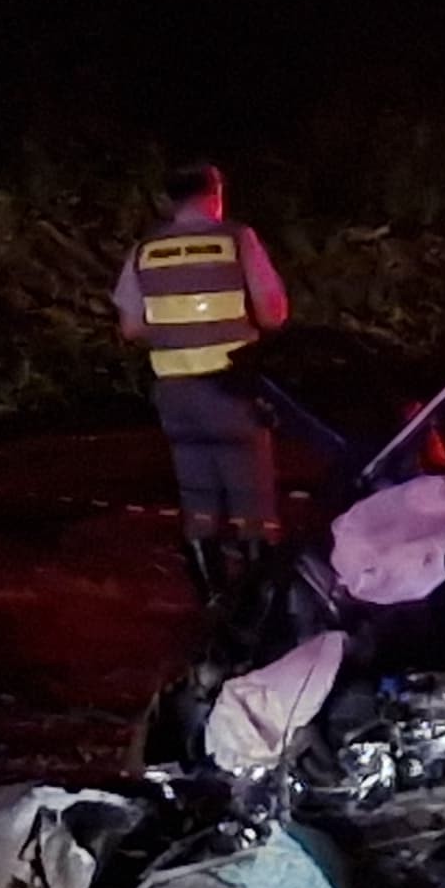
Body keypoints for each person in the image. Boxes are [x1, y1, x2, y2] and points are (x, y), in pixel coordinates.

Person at [114, 163, 292, 599]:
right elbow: (273, 313)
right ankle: (258, 610)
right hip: (232, 393)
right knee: (254, 509)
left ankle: (214, 604)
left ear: (170, 199)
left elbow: (131, 328)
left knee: (198, 503)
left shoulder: (145, 249)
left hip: (176, 398)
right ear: (214, 192)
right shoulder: (235, 238)